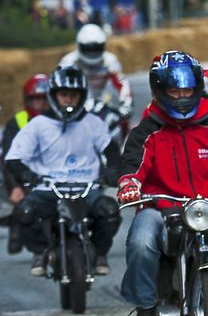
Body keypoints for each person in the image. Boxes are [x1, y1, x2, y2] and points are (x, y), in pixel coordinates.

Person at [117, 50, 208, 316]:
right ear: (161, 90)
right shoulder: (145, 132)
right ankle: (145, 309)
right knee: (139, 242)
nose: (181, 95)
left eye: (187, 89)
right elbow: (132, 167)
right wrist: (129, 185)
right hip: (158, 207)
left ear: (198, 88)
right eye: (174, 90)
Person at [5, 66, 121, 276]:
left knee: (110, 210)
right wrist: (25, 174)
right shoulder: (38, 125)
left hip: (87, 187)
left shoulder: (93, 123)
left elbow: (112, 152)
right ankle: (41, 251)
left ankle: (99, 252)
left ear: (82, 96)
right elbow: (13, 158)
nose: (68, 100)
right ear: (54, 96)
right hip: (47, 188)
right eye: (63, 95)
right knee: (23, 212)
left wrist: (112, 171)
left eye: (73, 95)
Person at [2, 74, 51, 254]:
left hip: (57, 173)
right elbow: (8, 158)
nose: (41, 104)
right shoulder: (17, 121)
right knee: (24, 205)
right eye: (36, 99)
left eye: (45, 99)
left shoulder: (62, 118)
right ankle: (17, 223)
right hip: (24, 173)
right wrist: (15, 186)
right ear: (27, 100)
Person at [59, 23, 133, 122]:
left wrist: (126, 104)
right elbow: (59, 88)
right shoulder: (68, 62)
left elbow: (122, 83)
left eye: (95, 48)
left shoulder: (110, 61)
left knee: (122, 123)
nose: (92, 52)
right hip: (76, 107)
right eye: (88, 49)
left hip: (103, 104)